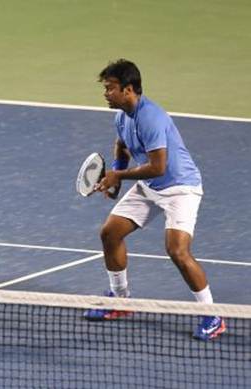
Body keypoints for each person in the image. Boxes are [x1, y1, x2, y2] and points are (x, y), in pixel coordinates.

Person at [82, 59, 225, 341]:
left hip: (180, 188)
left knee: (177, 251)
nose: (106, 94)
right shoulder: (122, 115)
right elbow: (122, 144)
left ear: (129, 89)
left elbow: (159, 167)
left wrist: (118, 176)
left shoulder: (151, 118)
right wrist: (115, 176)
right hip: (149, 186)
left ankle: (214, 315)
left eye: (110, 88)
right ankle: (121, 302)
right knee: (110, 233)